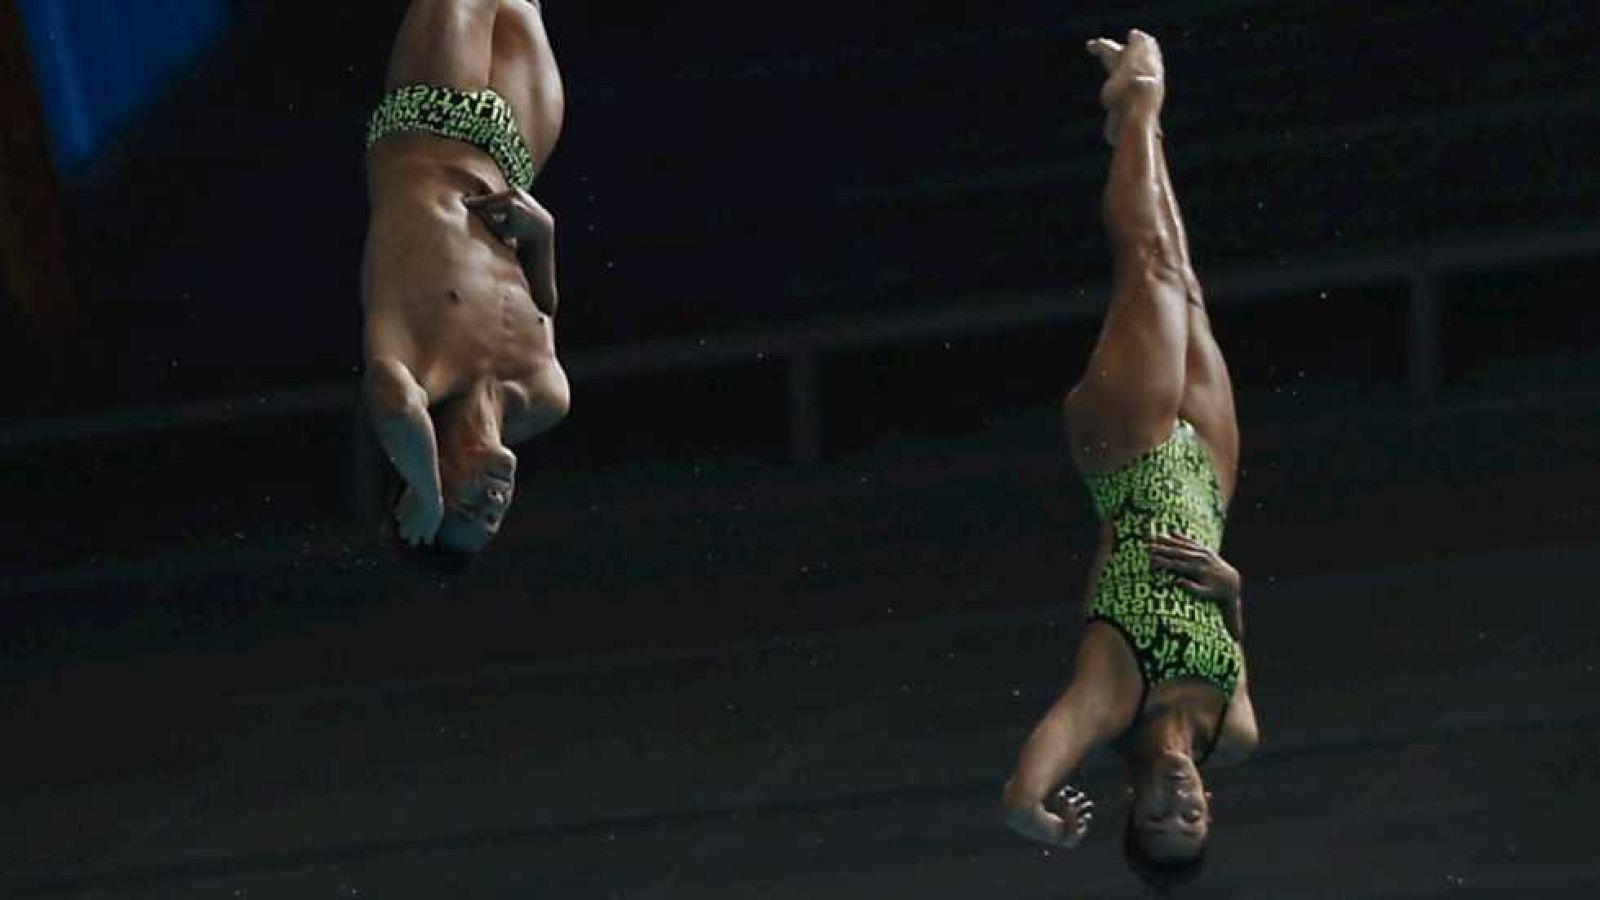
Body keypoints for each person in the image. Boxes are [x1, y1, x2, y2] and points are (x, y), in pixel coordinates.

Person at [999, 30, 1260, 890]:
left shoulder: (1114, 701)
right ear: (1212, 810)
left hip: (1130, 459)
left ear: (1131, 804)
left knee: (1143, 269)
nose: (1179, 804)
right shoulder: (1237, 730)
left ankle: (1139, 94)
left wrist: (1027, 810)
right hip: (1208, 481)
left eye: (1159, 818)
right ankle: (1132, 135)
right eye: (1192, 820)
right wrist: (1228, 586)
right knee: (1181, 280)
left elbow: (1026, 779)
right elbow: (1231, 618)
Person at [361, 0, 570, 555]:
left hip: (432, 122)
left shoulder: (420, 374)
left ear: (435, 473)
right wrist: (543, 237)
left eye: (471, 507)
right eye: (494, 518)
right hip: (512, 155)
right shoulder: (543, 398)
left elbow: (390, 399)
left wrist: (424, 496)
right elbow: (541, 307)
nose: (496, 502)